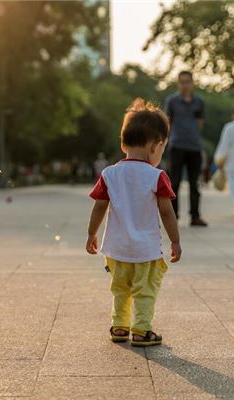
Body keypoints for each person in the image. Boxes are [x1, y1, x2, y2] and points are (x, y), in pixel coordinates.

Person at [86, 98, 181, 347]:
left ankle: (119, 326)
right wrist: (175, 241)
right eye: (162, 149)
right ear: (154, 146)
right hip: (146, 251)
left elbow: (99, 206)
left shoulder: (109, 174)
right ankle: (141, 330)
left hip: (116, 251)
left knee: (120, 289)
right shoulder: (156, 176)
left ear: (123, 141)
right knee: (145, 290)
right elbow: (167, 212)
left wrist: (91, 234)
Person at [164, 71, 208, 227]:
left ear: (192, 83)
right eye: (182, 82)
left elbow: (200, 123)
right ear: (178, 83)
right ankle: (173, 216)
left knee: (194, 183)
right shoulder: (172, 101)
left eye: (187, 81)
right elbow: (166, 123)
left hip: (194, 147)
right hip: (177, 146)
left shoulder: (199, 102)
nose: (185, 85)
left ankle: (195, 216)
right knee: (174, 182)